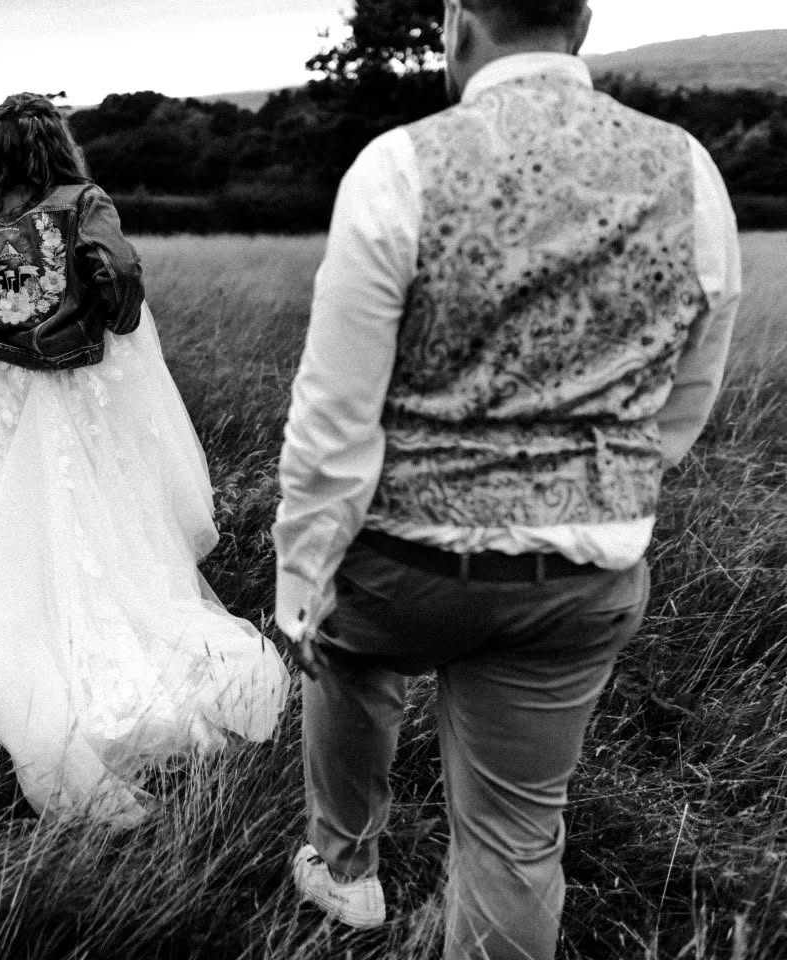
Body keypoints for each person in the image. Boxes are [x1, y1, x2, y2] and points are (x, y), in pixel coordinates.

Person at [273, 1, 741, 956]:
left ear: (455, 24)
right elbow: (690, 385)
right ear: (582, 23)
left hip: (405, 560)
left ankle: (345, 866)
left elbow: (334, 413)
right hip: (581, 575)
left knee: (348, 657)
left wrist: (302, 574)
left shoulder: (399, 165)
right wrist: (608, 486)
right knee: (517, 836)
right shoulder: (689, 170)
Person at [0, 93, 288, 827]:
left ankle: (30, 668)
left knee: (6, 534)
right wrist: (103, 323)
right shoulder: (83, 202)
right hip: (72, 390)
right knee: (97, 524)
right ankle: (106, 669)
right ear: (58, 145)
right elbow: (118, 271)